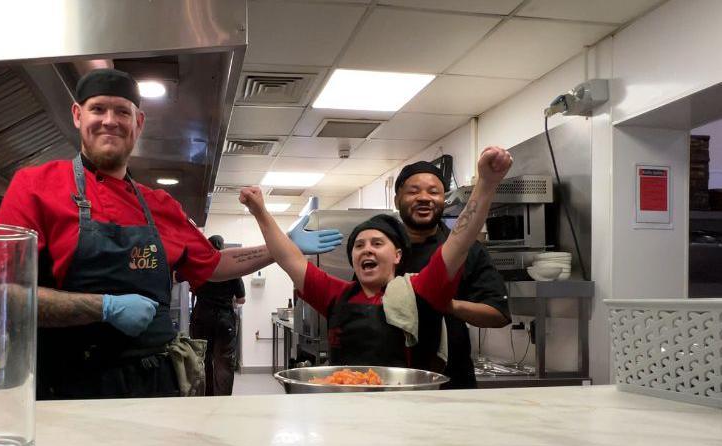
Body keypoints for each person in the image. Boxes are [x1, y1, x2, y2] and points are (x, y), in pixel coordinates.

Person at [0, 68, 342, 399]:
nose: (110, 121)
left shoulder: (159, 205)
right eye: (98, 109)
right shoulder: (35, 186)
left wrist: (281, 246)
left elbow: (214, 264)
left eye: (122, 112)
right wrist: (105, 307)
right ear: (77, 115)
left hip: (155, 383)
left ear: (138, 122)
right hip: (67, 386)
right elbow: (1, 294)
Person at [239, 147, 513, 369]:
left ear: (397, 255)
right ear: (353, 259)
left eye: (377, 243)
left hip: (410, 408)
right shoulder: (336, 294)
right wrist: (260, 212)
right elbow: (289, 259)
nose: (367, 249)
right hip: (350, 404)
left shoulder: (420, 289)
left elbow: (460, 240)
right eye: (359, 245)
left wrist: (487, 184)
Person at [393, 159, 512, 389]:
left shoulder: (467, 250)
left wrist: (448, 305)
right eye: (413, 191)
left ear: (443, 200)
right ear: (397, 199)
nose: (424, 197)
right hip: (391, 379)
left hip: (453, 383)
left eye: (434, 192)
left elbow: (498, 314)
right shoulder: (382, 249)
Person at [189, 235, 245, 396]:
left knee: (203, 360)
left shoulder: (199, 266)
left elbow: (190, 288)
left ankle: (206, 397)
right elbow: (241, 299)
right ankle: (223, 401)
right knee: (224, 363)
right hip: (224, 320)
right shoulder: (231, 268)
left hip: (202, 318)